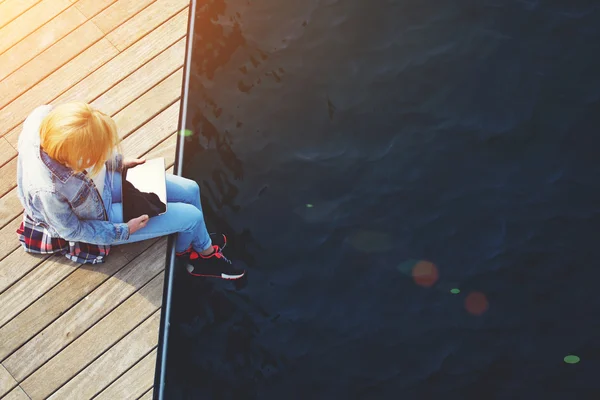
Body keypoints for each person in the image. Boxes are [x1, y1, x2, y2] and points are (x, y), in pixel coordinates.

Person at [15, 102, 245, 280]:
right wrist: (123, 231)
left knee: (190, 189)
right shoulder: (48, 190)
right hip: (102, 217)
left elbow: (86, 148)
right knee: (192, 217)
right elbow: (71, 231)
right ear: (76, 157)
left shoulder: (43, 118)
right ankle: (204, 256)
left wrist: (118, 162)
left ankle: (186, 248)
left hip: (101, 187)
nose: (100, 155)